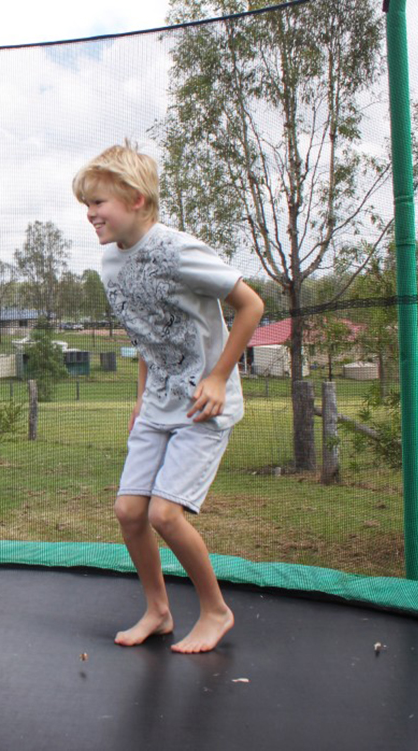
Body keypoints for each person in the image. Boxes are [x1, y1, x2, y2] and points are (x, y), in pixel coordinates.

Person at [73, 142, 264, 653]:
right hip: (157, 404)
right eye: (85, 205)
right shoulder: (110, 264)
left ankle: (215, 610)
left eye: (98, 202)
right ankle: (158, 611)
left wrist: (220, 377)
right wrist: (140, 398)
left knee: (164, 514)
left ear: (135, 198)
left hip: (204, 405)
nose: (90, 213)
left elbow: (250, 304)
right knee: (130, 512)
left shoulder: (178, 250)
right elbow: (145, 334)